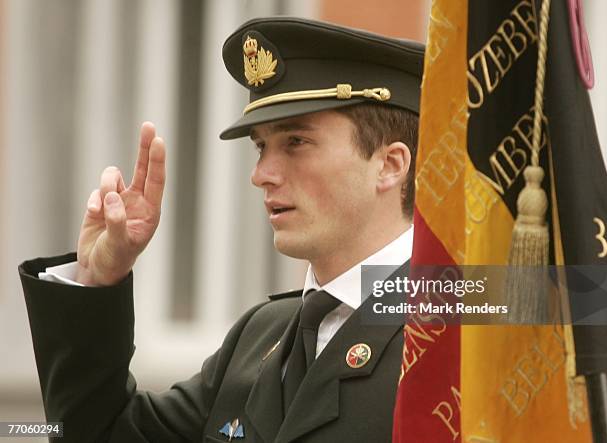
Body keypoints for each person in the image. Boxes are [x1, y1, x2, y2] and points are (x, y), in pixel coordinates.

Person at [19, 17, 423, 442]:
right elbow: (98, 434)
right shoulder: (261, 333)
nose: (262, 173)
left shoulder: (466, 321)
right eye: (262, 146)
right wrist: (100, 279)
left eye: (295, 143)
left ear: (390, 165)